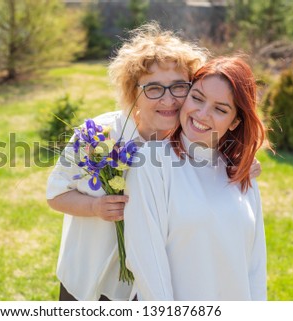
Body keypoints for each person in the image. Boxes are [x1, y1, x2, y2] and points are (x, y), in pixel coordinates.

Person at [46, 22, 207, 301]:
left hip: (153, 285)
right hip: (90, 281)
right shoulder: (97, 135)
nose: (168, 99)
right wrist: (95, 206)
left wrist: (243, 166)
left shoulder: (193, 142)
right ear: (133, 91)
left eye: (179, 87)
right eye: (154, 88)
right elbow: (55, 195)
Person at [124, 56, 268, 301]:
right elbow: (147, 264)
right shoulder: (152, 162)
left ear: (235, 121)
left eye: (220, 109)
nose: (202, 114)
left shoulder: (241, 171)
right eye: (197, 98)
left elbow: (255, 265)